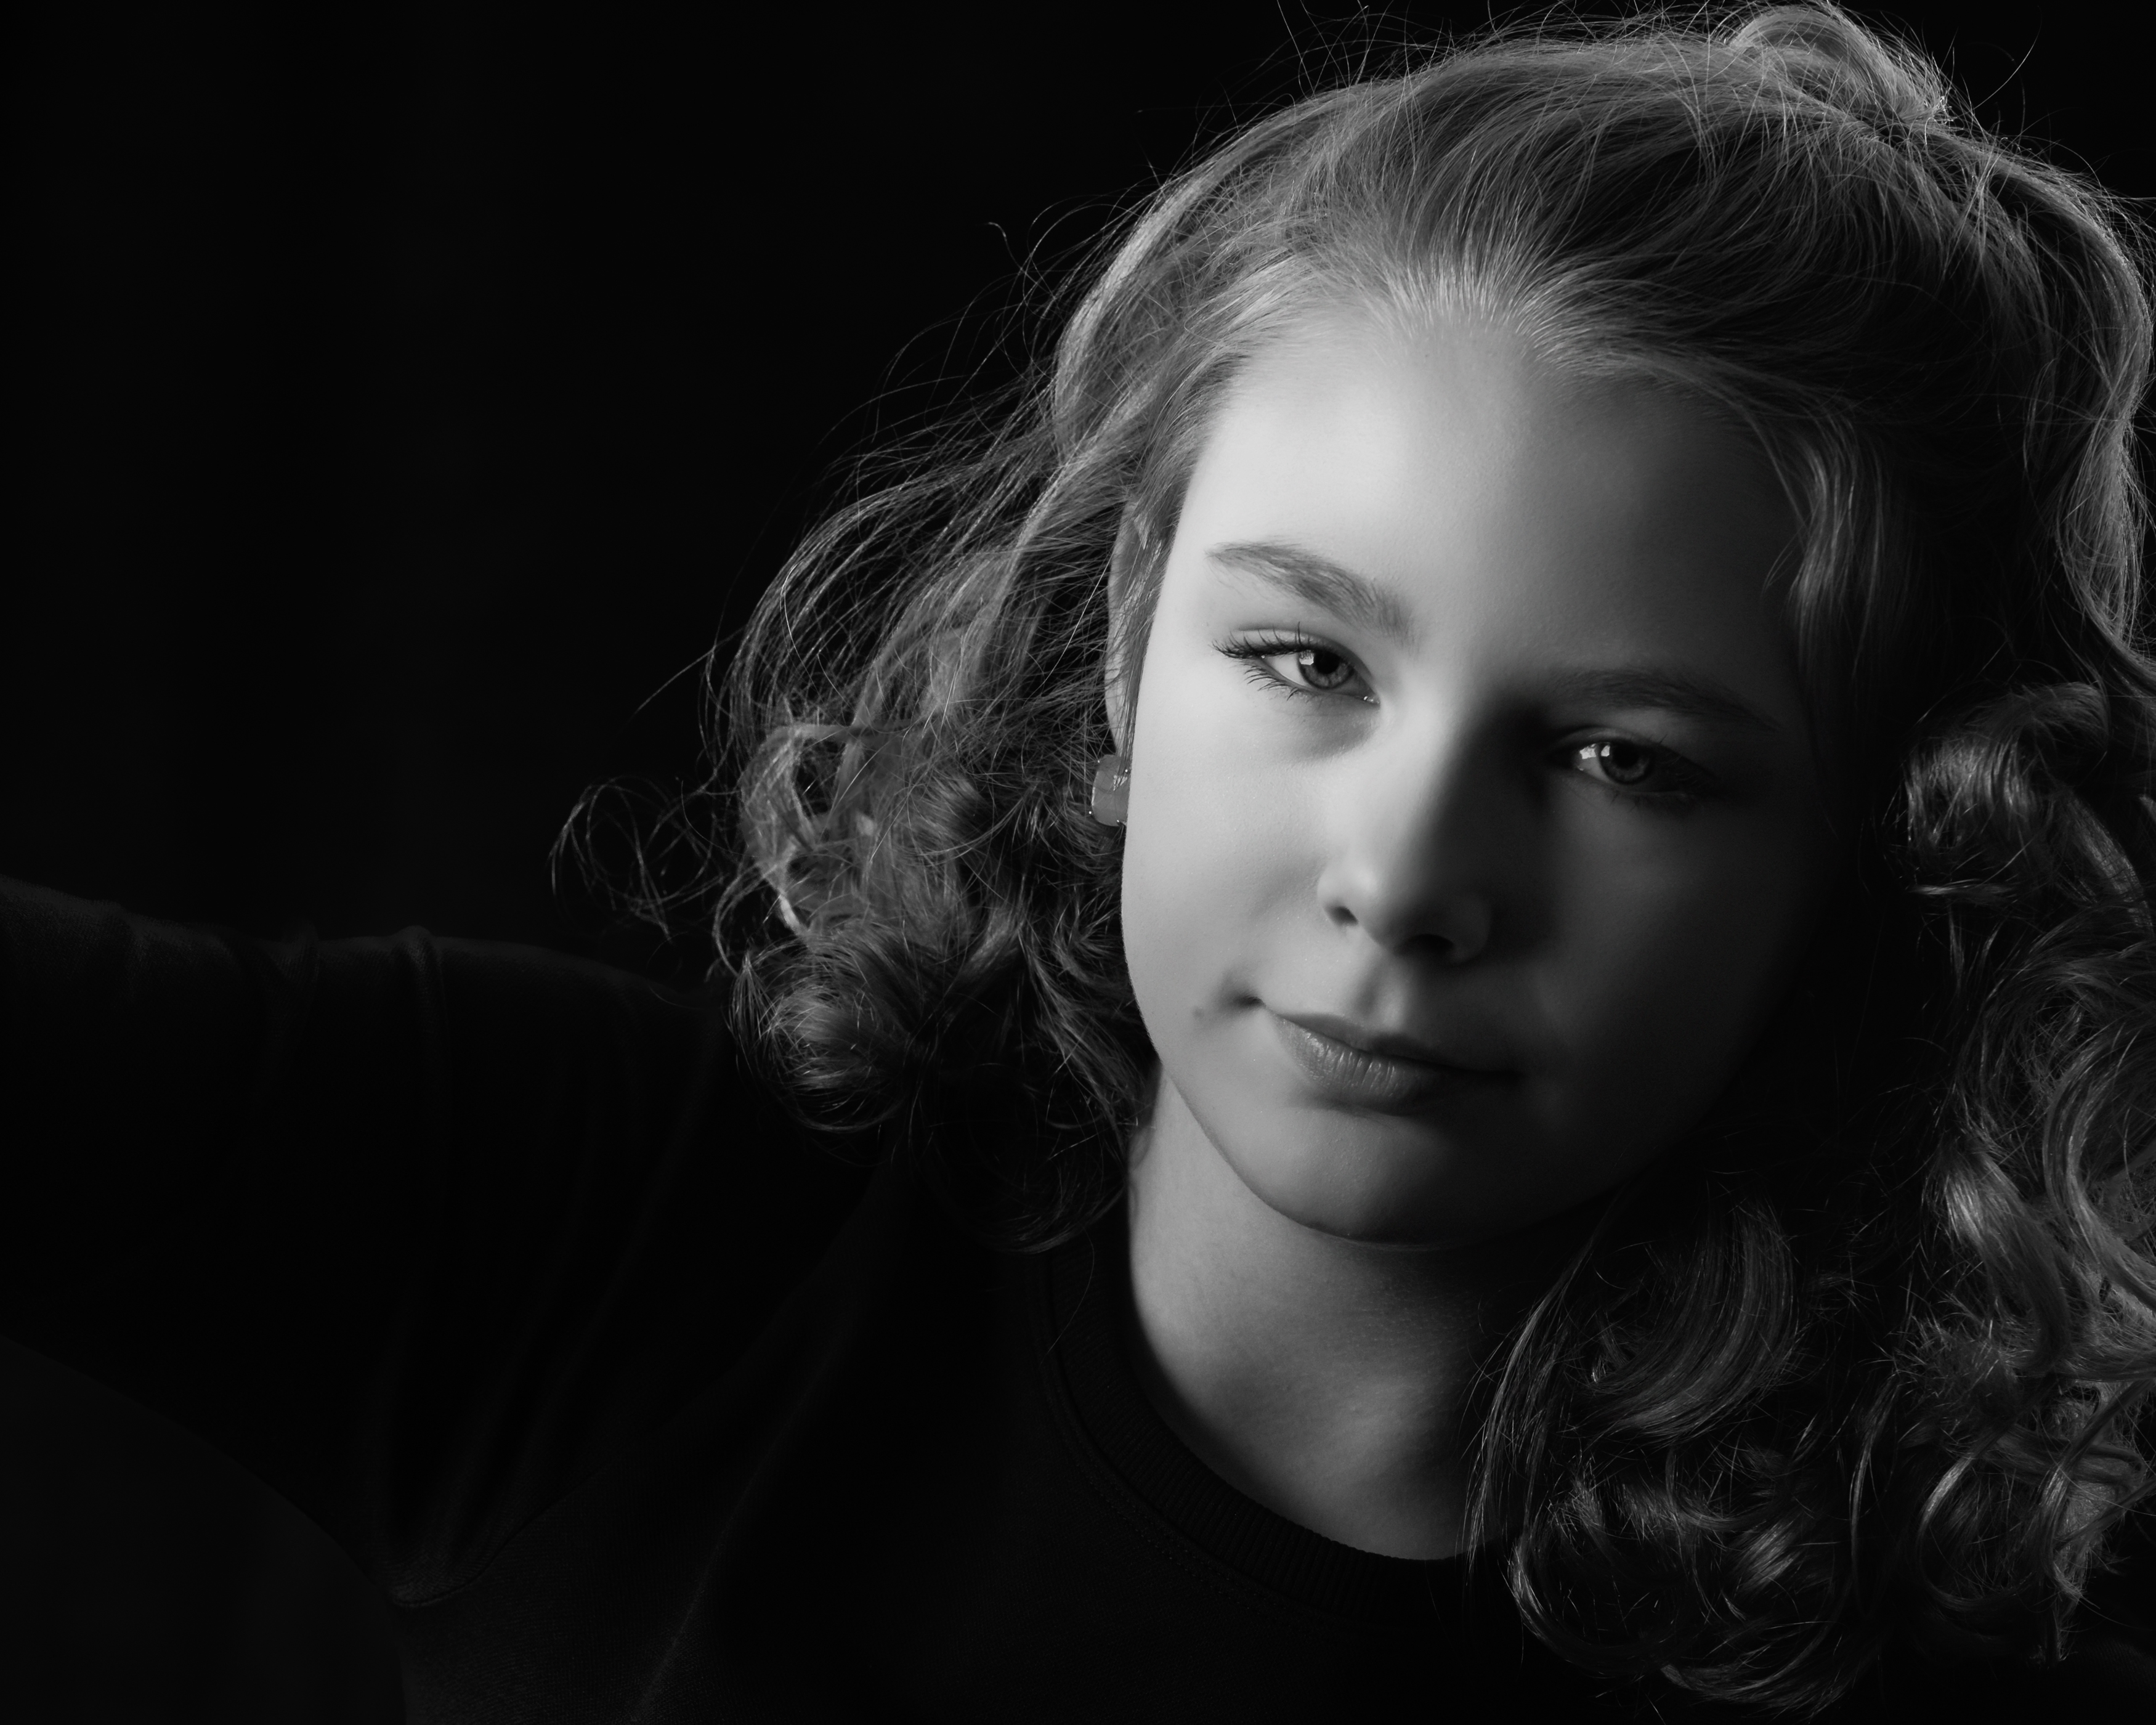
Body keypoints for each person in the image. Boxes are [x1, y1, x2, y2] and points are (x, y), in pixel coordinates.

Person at [5, 4, 2154, 1718]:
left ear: (1897, 847)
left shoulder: (1992, 1648)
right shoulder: (615, 1246)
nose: (1405, 882)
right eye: (1305, 656)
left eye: (1623, 759)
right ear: (1127, 643)